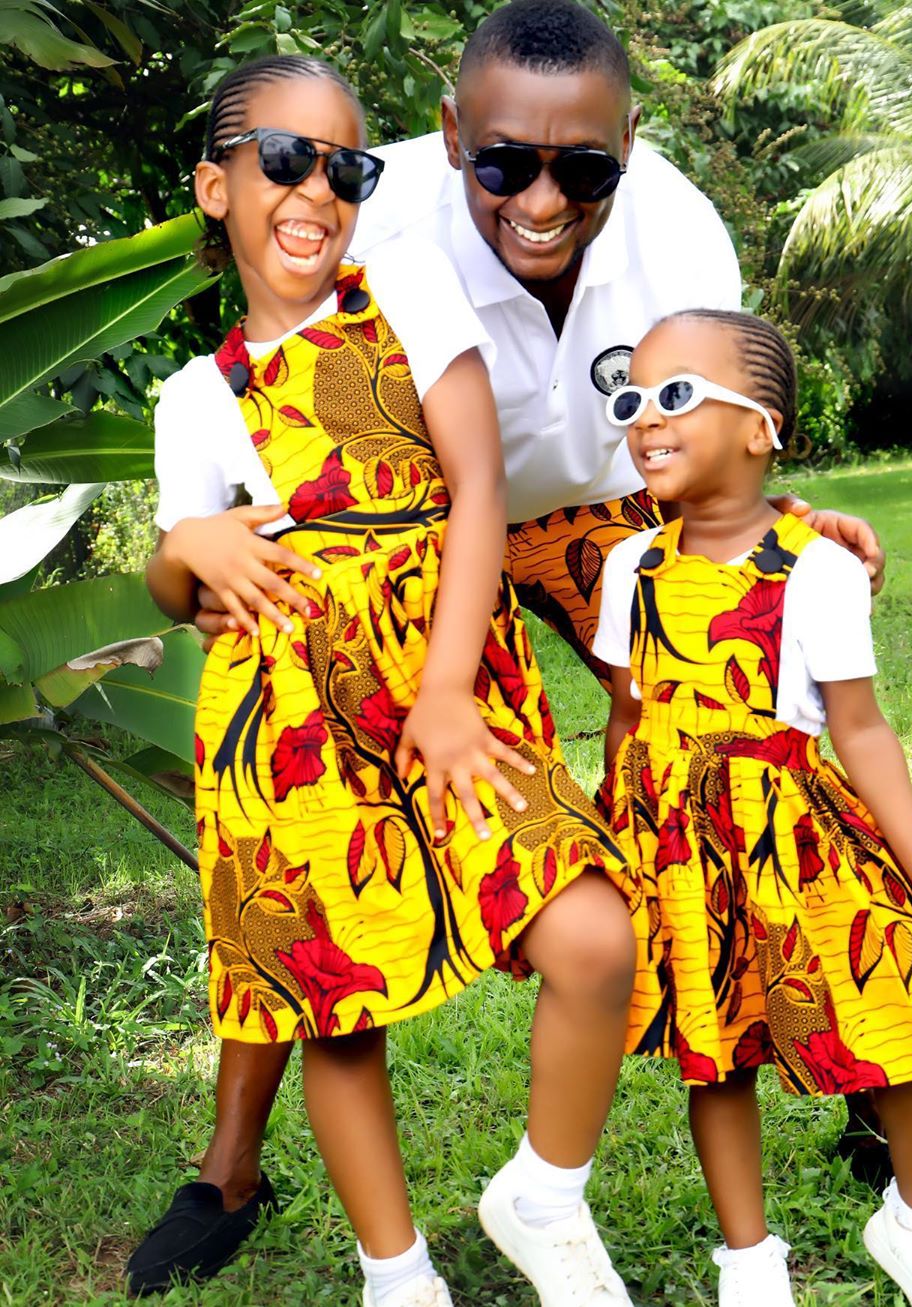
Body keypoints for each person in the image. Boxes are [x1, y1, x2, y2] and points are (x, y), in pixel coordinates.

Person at [133, 0, 889, 1288]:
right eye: (503, 163)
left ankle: (873, 1069)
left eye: (580, 167)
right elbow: (198, 533)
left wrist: (779, 537)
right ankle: (232, 1166)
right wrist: (190, 557)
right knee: (306, 917)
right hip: (350, 609)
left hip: (578, 512)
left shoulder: (672, 232)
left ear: (626, 147)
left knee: (769, 715)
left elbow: (713, 418)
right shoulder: (362, 223)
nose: (540, 196)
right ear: (450, 139)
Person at [131, 53, 642, 1306]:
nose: (317, 189)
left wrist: (449, 688)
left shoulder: (405, 287)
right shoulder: (193, 397)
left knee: (591, 932)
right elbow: (188, 586)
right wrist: (183, 550)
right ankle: (396, 1273)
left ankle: (543, 1190)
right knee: (336, 1006)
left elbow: (477, 486)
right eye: (283, 159)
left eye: (345, 168)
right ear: (214, 186)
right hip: (291, 727)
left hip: (448, 682)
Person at [593, 307, 912, 1306]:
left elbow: (861, 729)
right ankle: (749, 1263)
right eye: (631, 400)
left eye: (675, 395)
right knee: (717, 1051)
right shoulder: (630, 566)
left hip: (792, 832)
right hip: (679, 850)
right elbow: (627, 717)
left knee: (901, 1005)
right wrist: (619, 845)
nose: (645, 418)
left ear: (761, 429)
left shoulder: (816, 567)